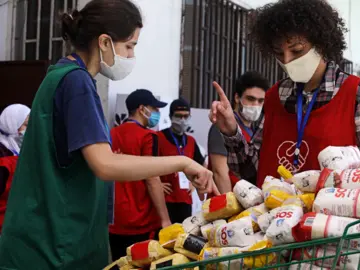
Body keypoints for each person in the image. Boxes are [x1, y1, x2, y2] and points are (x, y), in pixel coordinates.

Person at [0, 1, 215, 269]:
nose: (132, 55)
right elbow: (105, 164)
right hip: (53, 247)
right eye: (130, 46)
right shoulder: (76, 82)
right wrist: (182, 162)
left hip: (42, 240)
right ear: (104, 42)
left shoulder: (60, 75)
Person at [209, 0, 360, 187]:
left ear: (321, 44)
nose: (287, 61)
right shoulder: (275, 97)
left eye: (297, 51)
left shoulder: (358, 95)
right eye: (279, 54)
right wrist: (232, 132)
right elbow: (254, 173)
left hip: (334, 214)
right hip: (277, 213)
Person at [109, 89, 172, 261]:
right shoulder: (148, 136)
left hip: (116, 220)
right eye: (154, 109)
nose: (157, 113)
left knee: (119, 263)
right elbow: (152, 177)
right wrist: (165, 220)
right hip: (142, 220)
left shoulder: (111, 134)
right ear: (142, 109)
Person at [208, 71, 269, 193]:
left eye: (260, 101)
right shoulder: (223, 127)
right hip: (228, 203)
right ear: (237, 98)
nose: (255, 105)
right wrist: (229, 209)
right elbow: (220, 172)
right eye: (250, 99)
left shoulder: (254, 132)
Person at [157, 98, 207, 223]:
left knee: (182, 235)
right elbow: (147, 164)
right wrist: (157, 184)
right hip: (165, 199)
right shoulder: (158, 138)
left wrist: (194, 183)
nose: (182, 120)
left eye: (186, 116)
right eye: (178, 116)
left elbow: (202, 164)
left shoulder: (190, 141)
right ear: (170, 116)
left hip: (185, 198)